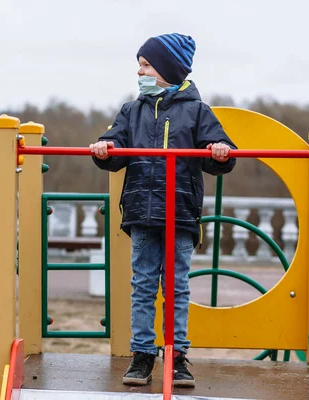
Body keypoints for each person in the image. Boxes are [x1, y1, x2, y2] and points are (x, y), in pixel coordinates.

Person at [89, 33, 237, 388]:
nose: (139, 72)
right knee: (142, 284)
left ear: (168, 69)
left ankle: (177, 355)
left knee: (176, 286)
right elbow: (115, 143)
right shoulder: (132, 110)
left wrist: (219, 150)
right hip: (141, 210)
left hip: (181, 212)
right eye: (139, 65)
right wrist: (106, 148)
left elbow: (224, 153)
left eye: (146, 65)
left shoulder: (198, 111)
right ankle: (142, 354)